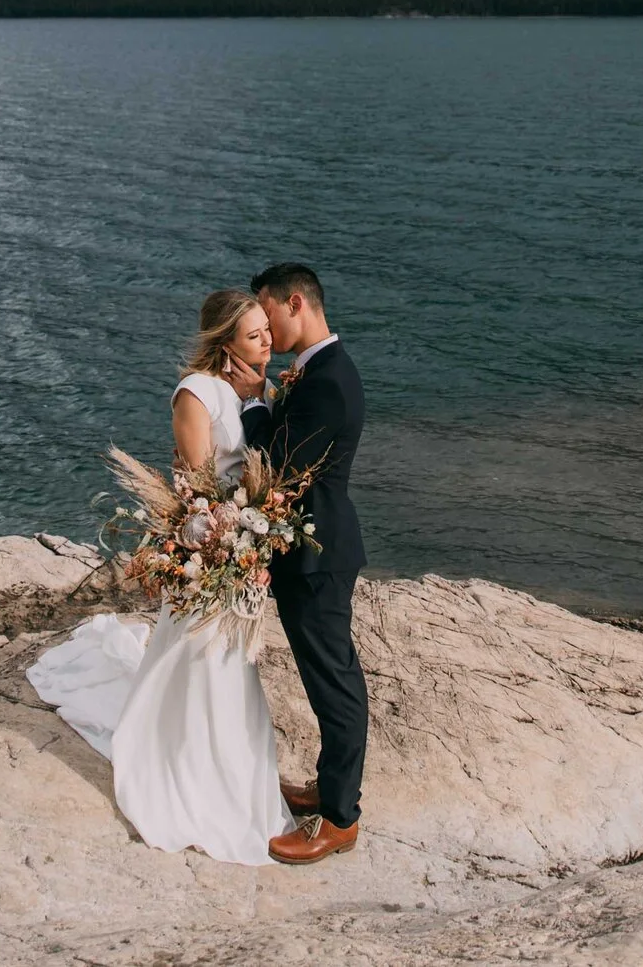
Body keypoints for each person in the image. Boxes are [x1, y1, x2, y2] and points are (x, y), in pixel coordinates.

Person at [25, 290, 296, 865]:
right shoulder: (196, 395)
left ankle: (234, 769)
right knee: (206, 659)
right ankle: (186, 766)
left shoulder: (257, 391)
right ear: (224, 343)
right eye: (254, 336)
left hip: (244, 549)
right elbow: (197, 487)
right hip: (214, 546)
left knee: (231, 666)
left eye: (266, 331)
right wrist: (232, 534)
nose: (267, 341)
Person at [243, 261, 367, 865]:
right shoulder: (320, 371)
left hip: (317, 553)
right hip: (312, 548)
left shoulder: (325, 382)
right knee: (329, 679)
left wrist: (250, 404)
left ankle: (340, 818)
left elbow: (279, 461)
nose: (262, 329)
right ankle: (330, 788)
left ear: (296, 303)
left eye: (265, 313)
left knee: (334, 683)